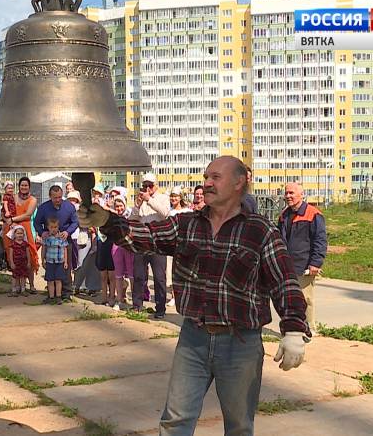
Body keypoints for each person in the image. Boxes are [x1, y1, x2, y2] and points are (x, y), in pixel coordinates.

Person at [79, 156, 310, 435]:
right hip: (194, 339)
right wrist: (107, 220)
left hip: (240, 344)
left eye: (215, 177)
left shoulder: (260, 230)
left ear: (239, 182)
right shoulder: (187, 224)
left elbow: (284, 281)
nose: (207, 183)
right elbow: (144, 235)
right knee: (175, 420)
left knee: (239, 426)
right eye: (206, 177)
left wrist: (294, 329)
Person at [279, 182, 327, 330]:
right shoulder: (284, 215)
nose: (288, 196)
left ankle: (309, 329)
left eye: (291, 193)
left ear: (301, 194)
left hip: (304, 265)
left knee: (305, 299)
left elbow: (320, 240)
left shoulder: (313, 214)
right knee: (288, 299)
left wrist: (315, 263)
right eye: (286, 193)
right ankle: (293, 328)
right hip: (286, 266)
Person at [129, 173, 170, 318]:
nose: (147, 188)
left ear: (156, 186)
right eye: (144, 186)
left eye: (150, 185)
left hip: (158, 243)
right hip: (142, 242)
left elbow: (165, 213)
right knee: (139, 275)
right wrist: (137, 205)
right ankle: (137, 305)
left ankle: (160, 308)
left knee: (159, 278)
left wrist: (150, 200)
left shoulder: (163, 198)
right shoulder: (140, 200)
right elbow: (132, 219)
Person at [33, 185, 78, 300]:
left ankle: (66, 293)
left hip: (64, 239)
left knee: (66, 268)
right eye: (55, 198)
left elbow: (75, 222)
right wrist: (42, 232)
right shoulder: (44, 208)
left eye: (59, 197)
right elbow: (36, 223)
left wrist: (68, 232)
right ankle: (52, 293)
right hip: (49, 242)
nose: (58, 200)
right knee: (51, 268)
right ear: (50, 197)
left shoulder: (69, 207)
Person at [4, 177, 39, 293]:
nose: (24, 187)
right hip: (12, 229)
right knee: (14, 255)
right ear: (18, 186)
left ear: (29, 187)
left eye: (26, 185)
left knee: (30, 255)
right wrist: (8, 220)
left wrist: (12, 219)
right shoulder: (13, 197)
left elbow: (28, 215)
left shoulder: (33, 200)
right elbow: (5, 211)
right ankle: (18, 286)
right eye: (22, 185)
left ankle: (32, 285)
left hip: (26, 228)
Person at [110, 197, 133, 311]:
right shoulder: (112, 218)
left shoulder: (130, 215)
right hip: (117, 246)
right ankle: (119, 300)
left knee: (131, 275)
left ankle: (134, 301)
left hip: (129, 247)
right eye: (117, 206)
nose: (119, 208)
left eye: (121, 206)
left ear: (125, 205)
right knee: (118, 275)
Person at [41, 217, 69, 305]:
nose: (54, 229)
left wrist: (65, 261)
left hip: (59, 262)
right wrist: (42, 260)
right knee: (50, 280)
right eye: (52, 227)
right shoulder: (47, 238)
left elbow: (65, 249)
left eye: (56, 227)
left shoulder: (61, 238)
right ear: (48, 227)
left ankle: (58, 297)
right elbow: (44, 248)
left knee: (58, 280)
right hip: (50, 261)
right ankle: (51, 296)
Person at [7, 225, 31, 297]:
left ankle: (23, 289)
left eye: (21, 233)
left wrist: (29, 262)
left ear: (24, 235)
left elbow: (28, 253)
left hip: (23, 263)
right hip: (16, 263)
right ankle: (14, 289)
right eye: (18, 233)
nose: (19, 235)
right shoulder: (13, 244)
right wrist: (11, 263)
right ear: (14, 234)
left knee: (23, 276)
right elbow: (10, 254)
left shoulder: (25, 244)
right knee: (15, 276)